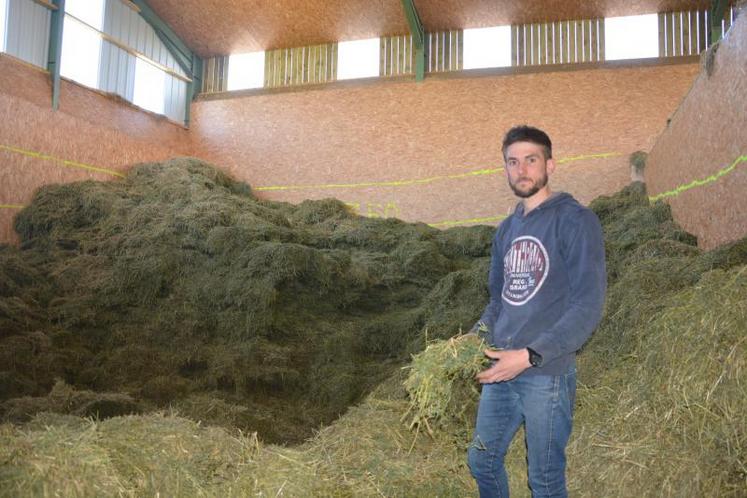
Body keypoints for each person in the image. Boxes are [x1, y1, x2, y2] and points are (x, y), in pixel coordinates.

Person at [467, 125, 607, 497]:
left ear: (550, 164)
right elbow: (498, 302)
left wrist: (530, 355)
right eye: (512, 162)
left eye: (531, 160)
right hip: (502, 368)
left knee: (544, 478)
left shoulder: (575, 220)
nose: (521, 170)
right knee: (482, 460)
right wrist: (470, 340)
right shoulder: (505, 231)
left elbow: (588, 304)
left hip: (546, 372)